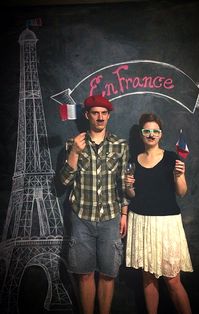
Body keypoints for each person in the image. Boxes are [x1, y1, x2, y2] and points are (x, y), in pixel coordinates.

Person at [60, 95, 129, 314]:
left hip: (111, 217)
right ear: (87, 115)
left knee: (108, 274)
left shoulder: (120, 145)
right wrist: (74, 153)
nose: (100, 117)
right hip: (82, 218)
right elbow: (63, 182)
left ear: (108, 116)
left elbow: (123, 184)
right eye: (95, 113)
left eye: (104, 113)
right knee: (85, 274)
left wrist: (124, 213)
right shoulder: (73, 143)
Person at [125, 113, 193, 314]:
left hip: (166, 225)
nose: (151, 134)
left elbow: (181, 192)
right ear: (141, 134)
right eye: (147, 131)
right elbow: (132, 195)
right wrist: (129, 186)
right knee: (148, 278)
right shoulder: (133, 160)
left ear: (161, 134)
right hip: (141, 222)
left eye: (155, 131)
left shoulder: (173, 158)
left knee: (172, 281)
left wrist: (179, 176)